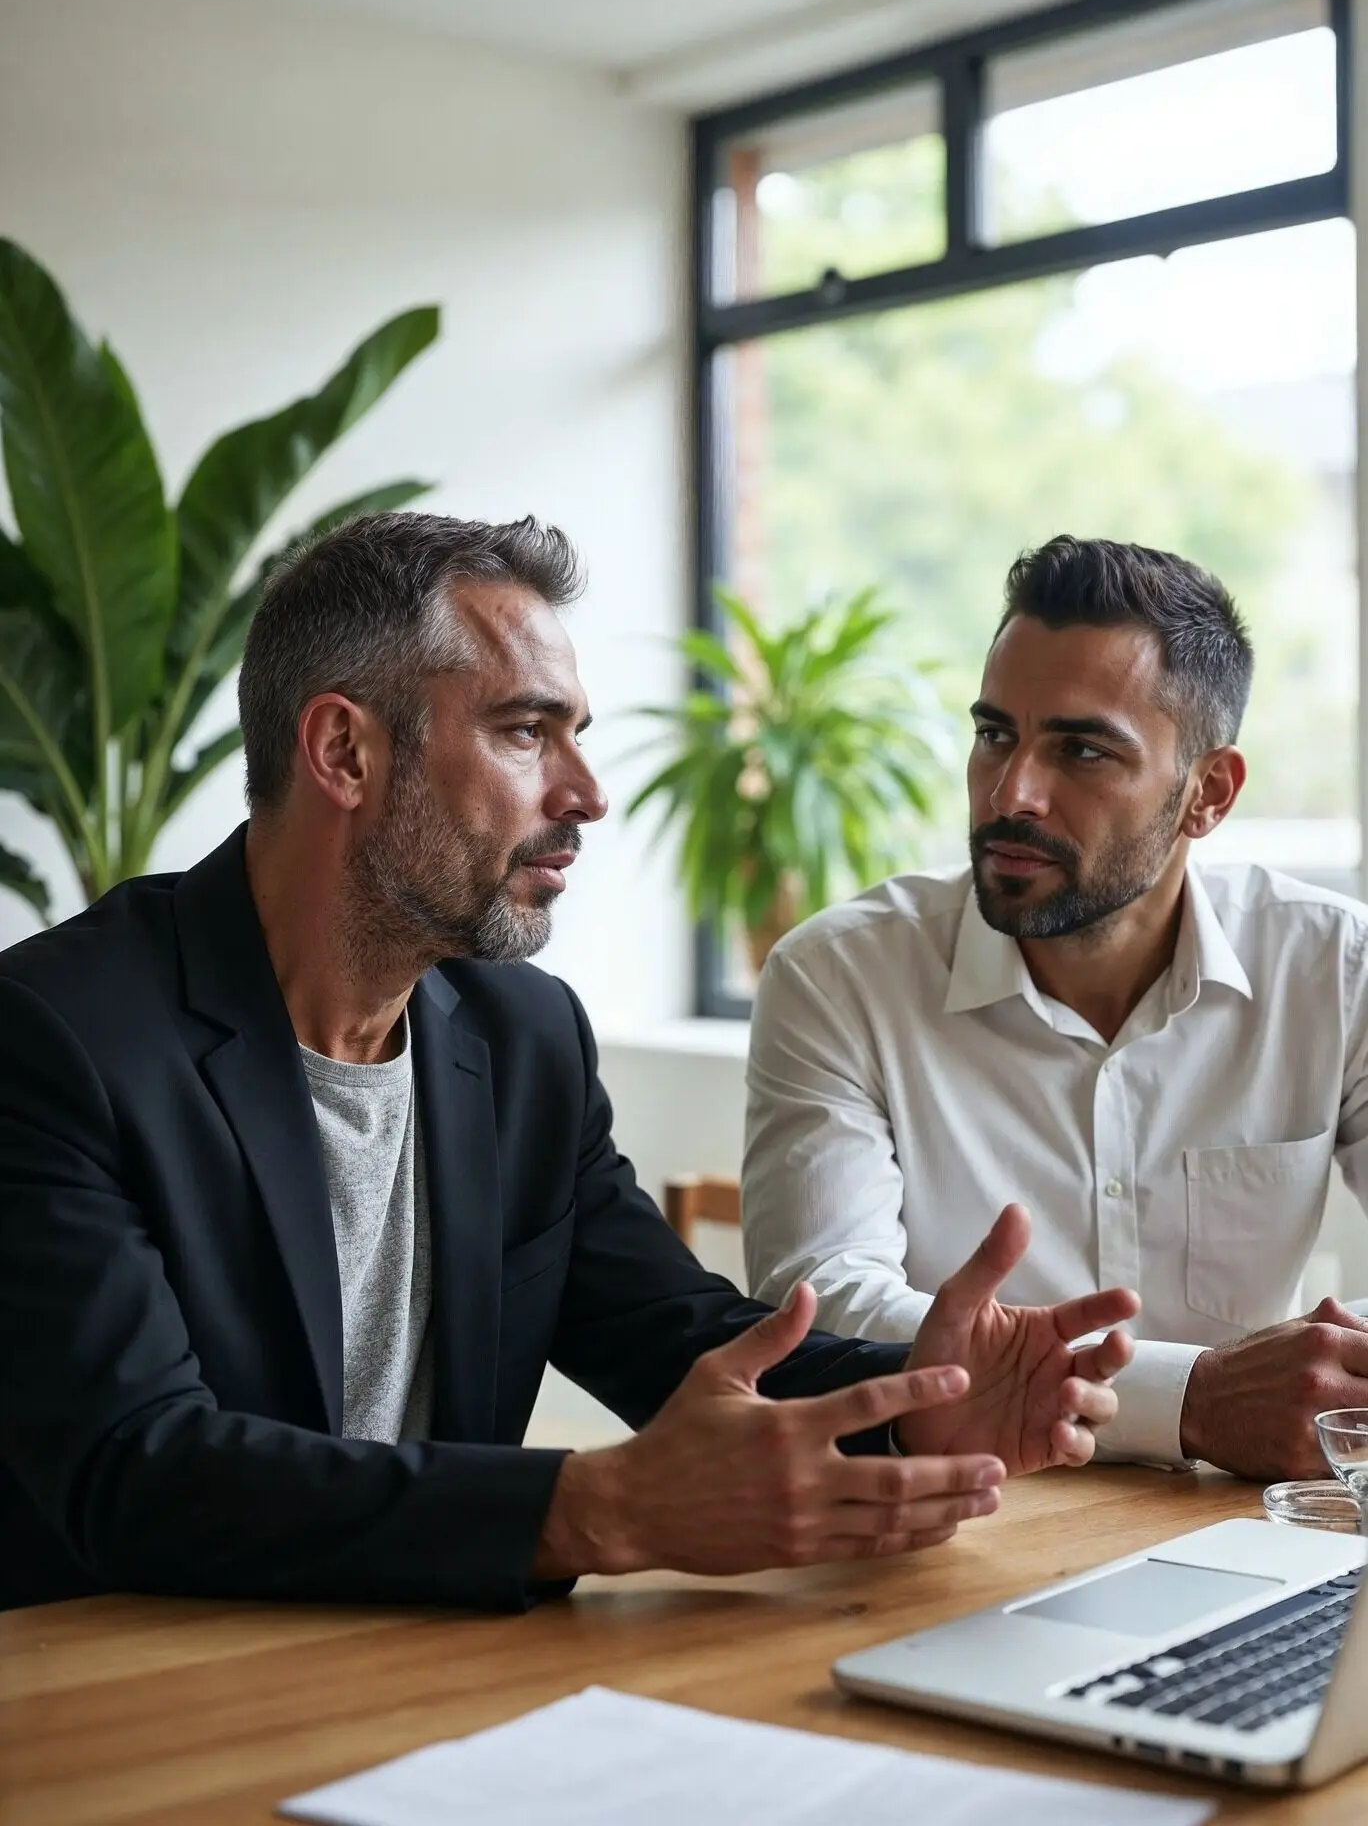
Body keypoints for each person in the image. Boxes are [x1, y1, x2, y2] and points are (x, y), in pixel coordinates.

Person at [0, 515, 1136, 1613]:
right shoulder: (54, 1037)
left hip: (422, 1660)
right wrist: (597, 1507)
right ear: (345, 751)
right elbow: (139, 1469)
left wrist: (918, 1397)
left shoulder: (522, 1036)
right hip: (121, 1686)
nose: (586, 793)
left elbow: (674, 1336)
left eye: (576, 732)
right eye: (525, 733)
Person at [743, 534, 1368, 1483]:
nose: (1012, 792)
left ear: (1207, 794)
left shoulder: (1336, 970)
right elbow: (822, 1307)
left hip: (1240, 1525)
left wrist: (1330, 1373)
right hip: (965, 1513)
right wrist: (1190, 1399)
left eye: (1081, 750)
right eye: (996, 734)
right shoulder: (840, 979)